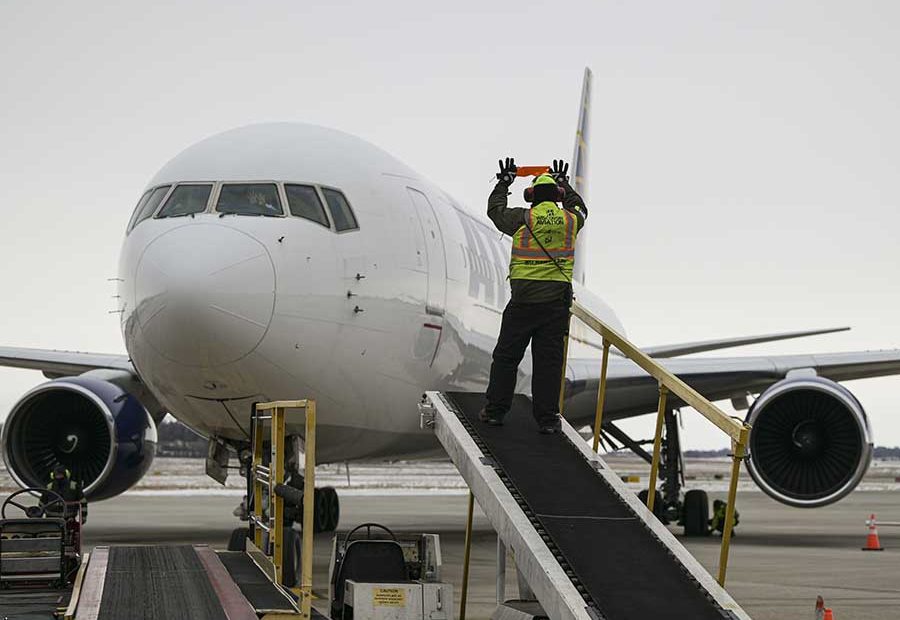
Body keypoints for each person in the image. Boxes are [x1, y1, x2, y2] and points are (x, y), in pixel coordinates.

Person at [480, 157, 587, 434]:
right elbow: (580, 208)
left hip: (524, 302)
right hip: (555, 304)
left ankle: (495, 412)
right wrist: (565, 184)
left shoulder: (524, 217)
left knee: (506, 358)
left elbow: (495, 211)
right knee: (548, 364)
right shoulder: (570, 219)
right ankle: (548, 419)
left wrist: (504, 183)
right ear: (559, 196)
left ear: (532, 197)